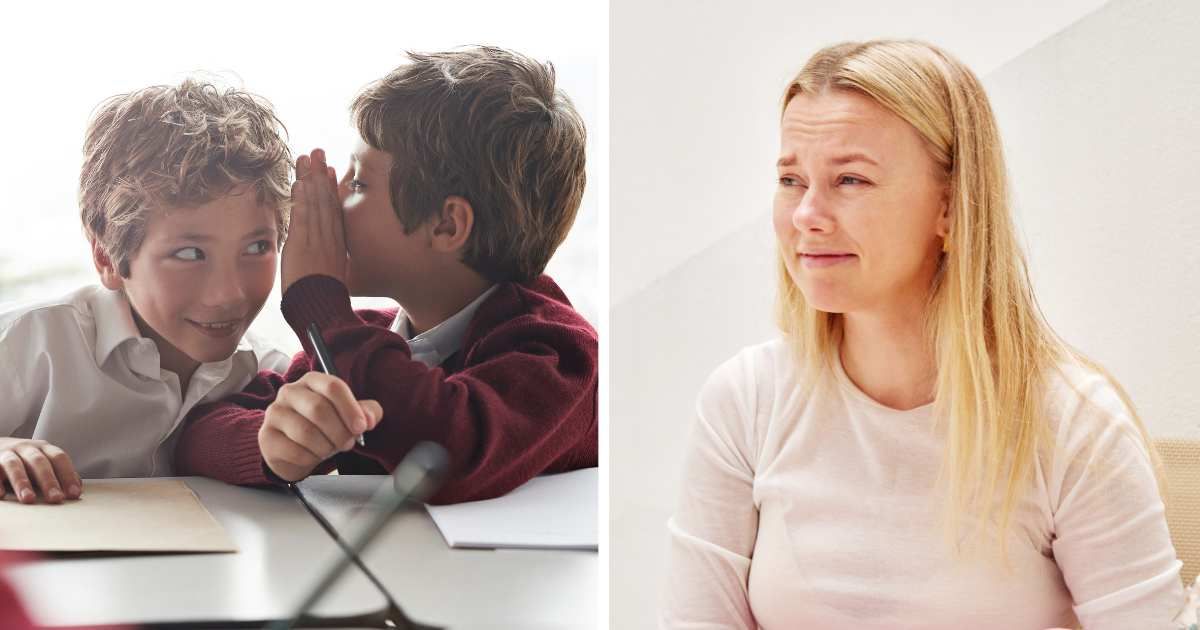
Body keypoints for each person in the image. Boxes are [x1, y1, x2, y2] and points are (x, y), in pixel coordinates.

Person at [661, 39, 1185, 629]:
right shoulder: (745, 402)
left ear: (951, 207)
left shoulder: (1073, 423)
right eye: (790, 179)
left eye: (851, 180)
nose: (807, 213)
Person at [175, 47, 598, 505]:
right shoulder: (368, 342)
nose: (333, 198)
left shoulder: (559, 352)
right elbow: (199, 434)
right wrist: (273, 443)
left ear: (447, 226)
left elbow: (445, 452)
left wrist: (319, 304)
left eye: (358, 183)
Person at [0, 79, 292, 503]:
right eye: (191, 253)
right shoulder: (32, 343)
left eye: (257, 247)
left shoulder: (266, 374)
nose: (229, 293)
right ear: (106, 257)